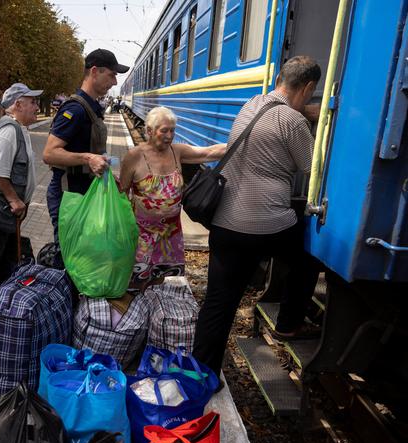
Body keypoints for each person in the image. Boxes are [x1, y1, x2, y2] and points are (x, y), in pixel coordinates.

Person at [192, 56, 322, 378]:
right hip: (265, 227)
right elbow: (311, 169)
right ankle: (289, 324)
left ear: (279, 78)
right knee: (309, 256)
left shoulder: (252, 104)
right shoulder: (294, 123)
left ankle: (200, 372)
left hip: (224, 222)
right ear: (308, 88)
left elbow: (277, 115)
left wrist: (301, 109)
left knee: (218, 304)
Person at [119, 106, 226, 268]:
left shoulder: (177, 151)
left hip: (171, 233)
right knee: (136, 279)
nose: (170, 136)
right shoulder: (134, 156)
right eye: (164, 131)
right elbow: (122, 194)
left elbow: (208, 153)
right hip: (142, 234)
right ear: (149, 130)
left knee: (161, 276)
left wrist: (241, 141)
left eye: (172, 131)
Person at [43, 48, 129, 238]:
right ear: (94, 71)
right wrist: (88, 158)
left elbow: (92, 148)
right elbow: (49, 154)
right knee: (69, 257)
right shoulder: (75, 109)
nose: (115, 82)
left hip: (84, 191)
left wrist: (107, 172)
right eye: (112, 75)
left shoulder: (92, 107)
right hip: (69, 194)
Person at [0, 82, 42, 282]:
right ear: (18, 104)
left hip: (8, 214)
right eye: (33, 102)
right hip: (1, 212)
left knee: (4, 261)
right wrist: (14, 200)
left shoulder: (18, 128)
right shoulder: (9, 132)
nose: (37, 107)